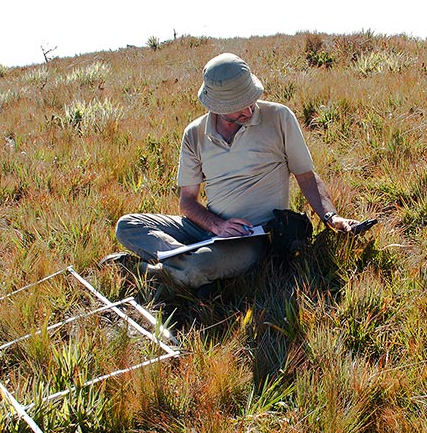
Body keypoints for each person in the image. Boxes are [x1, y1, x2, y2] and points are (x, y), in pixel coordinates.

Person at [107, 52, 361, 291]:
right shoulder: (195, 134)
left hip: (251, 236)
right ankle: (184, 263)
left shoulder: (279, 117)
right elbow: (187, 201)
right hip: (207, 228)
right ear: (217, 105)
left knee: (199, 267)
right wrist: (217, 226)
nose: (249, 110)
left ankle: (147, 269)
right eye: (239, 106)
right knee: (127, 225)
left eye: (250, 100)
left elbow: (306, 176)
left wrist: (331, 217)